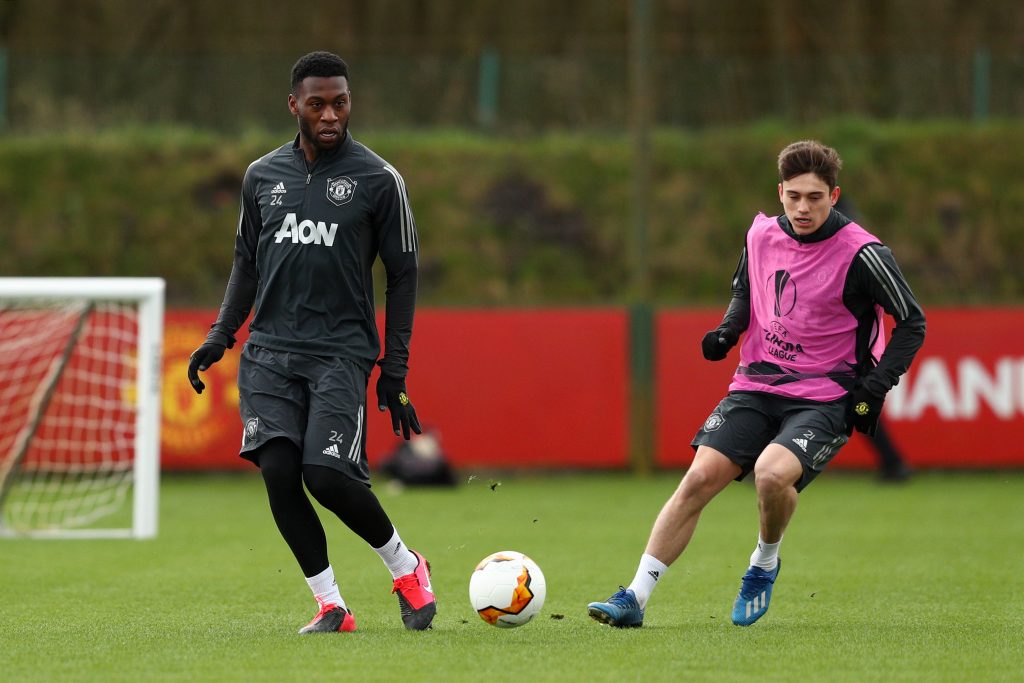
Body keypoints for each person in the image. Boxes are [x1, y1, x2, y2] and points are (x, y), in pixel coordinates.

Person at [588, 140, 926, 628]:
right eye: (793, 197)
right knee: (699, 478)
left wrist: (874, 389)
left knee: (771, 474)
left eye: (814, 197)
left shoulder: (865, 254)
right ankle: (634, 598)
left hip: (827, 394)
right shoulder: (761, 235)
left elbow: (912, 322)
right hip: (756, 384)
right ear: (780, 192)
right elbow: (746, 289)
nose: (802, 208)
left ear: (835, 194)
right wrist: (728, 329)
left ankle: (763, 562)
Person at [187, 51, 435, 634]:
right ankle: (331, 605)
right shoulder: (261, 177)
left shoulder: (380, 180)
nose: (330, 115)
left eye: (340, 102)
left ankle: (406, 567)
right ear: (294, 104)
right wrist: (220, 336)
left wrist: (393, 371)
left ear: (350, 103)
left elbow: (403, 275)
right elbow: (246, 263)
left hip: (340, 355)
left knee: (325, 475)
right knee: (278, 472)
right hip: (268, 353)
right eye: (318, 103)